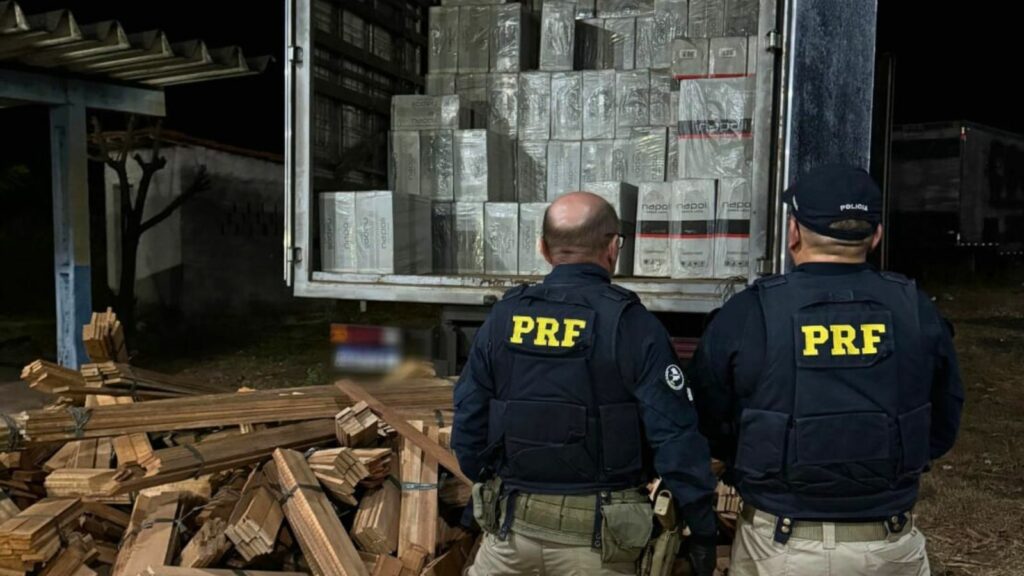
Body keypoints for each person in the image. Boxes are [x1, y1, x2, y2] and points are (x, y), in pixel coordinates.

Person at [689, 164, 964, 576]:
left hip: (780, 548)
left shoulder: (749, 313)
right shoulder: (916, 311)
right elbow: (943, 421)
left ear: (793, 233)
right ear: (875, 236)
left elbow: (706, 417)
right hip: (888, 547)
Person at [453, 192, 718, 575]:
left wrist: (493, 485)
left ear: (543, 249)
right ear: (613, 248)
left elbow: (468, 426)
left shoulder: (503, 318)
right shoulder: (632, 325)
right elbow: (676, 438)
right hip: (598, 547)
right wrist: (703, 530)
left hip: (509, 538)